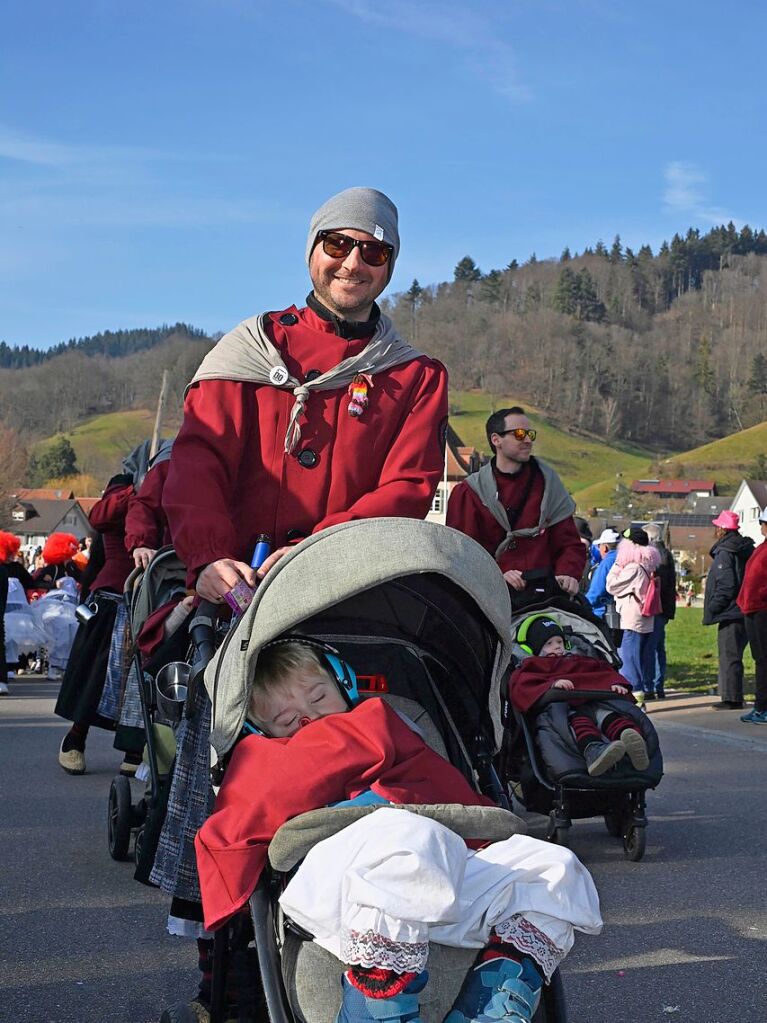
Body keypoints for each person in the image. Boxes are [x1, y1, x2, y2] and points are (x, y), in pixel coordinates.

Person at [155, 187, 449, 1019]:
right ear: (312, 249)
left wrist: (324, 547)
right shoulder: (245, 354)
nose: (353, 262)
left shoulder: (414, 375)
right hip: (244, 591)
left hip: (352, 590)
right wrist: (209, 558)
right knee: (225, 762)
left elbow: (407, 484)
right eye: (338, 244)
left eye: (374, 251)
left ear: (392, 263)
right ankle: (228, 973)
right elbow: (199, 463)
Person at [195, 640, 603, 1023]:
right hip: (343, 887)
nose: (313, 719)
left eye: (320, 698)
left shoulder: (387, 723)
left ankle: (490, 1004)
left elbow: (447, 796)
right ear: (260, 732)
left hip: (437, 876)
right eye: (288, 721)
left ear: (344, 682)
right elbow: (236, 824)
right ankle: (377, 1007)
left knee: (554, 868)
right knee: (407, 834)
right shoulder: (263, 759)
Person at [446, 408, 585, 604]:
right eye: (519, 434)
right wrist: (497, 574)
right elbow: (462, 554)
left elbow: (569, 542)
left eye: (530, 434)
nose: (527, 440)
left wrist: (568, 573)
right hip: (490, 599)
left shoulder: (549, 485)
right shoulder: (470, 493)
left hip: (544, 597)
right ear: (496, 440)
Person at [510, 615, 649, 776]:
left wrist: (615, 684)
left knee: (611, 715)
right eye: (549, 644)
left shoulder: (575, 660)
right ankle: (594, 751)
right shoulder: (533, 667)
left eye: (560, 642)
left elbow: (601, 671)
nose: (557, 647)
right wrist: (551, 686)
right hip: (566, 710)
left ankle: (632, 737)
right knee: (581, 722)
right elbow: (522, 686)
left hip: (594, 702)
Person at [702, 510, 754, 710]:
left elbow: (726, 584)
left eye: (717, 526)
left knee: (729, 655)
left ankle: (731, 698)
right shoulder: (745, 548)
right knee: (736, 655)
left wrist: (714, 607)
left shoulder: (725, 552)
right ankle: (734, 695)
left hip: (730, 611)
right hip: (745, 608)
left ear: (722, 529)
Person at [605, 528, 661, 708]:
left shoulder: (633, 567)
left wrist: (616, 566)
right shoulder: (648, 563)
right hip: (645, 617)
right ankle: (641, 694)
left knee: (629, 658)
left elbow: (611, 585)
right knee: (642, 657)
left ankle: (635, 698)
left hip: (632, 618)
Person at [736, 507, 767, 724]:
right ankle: (761, 706)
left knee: (764, 660)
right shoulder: (762, 547)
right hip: (753, 609)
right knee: (760, 659)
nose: (760, 526)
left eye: (762, 522)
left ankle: (763, 707)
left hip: (762, 609)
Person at [642, 523, 677, 700]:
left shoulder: (654, 556)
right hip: (663, 608)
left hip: (654, 607)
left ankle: (649, 686)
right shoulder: (667, 554)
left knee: (650, 648)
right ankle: (659, 685)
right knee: (658, 647)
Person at [0, 532, 37, 695]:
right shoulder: (8, 569)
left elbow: (31, 582)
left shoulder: (14, 568)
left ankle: (5, 675)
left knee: (7, 642)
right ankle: (3, 677)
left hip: (13, 610)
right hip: (8, 610)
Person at [585, 528, 621, 631]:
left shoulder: (607, 562)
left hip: (603, 613)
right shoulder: (624, 558)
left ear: (605, 547)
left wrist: (582, 604)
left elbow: (596, 591)